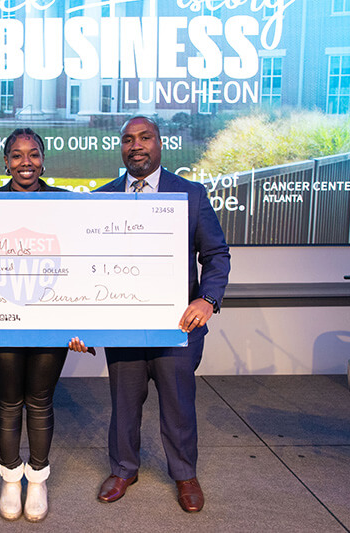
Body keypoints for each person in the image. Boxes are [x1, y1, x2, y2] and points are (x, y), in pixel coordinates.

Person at [87, 115, 230, 512]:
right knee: (124, 403)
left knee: (179, 404)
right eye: (129, 140)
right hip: (124, 326)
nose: (136, 146)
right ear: (121, 147)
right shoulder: (103, 198)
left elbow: (216, 254)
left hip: (177, 325)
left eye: (145, 138)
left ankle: (185, 475)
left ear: (160, 144)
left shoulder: (191, 194)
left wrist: (208, 299)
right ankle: (123, 468)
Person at [0, 128, 92, 522]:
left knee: (39, 400)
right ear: (5, 161)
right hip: (0, 321)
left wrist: (86, 325)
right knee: (8, 400)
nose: (25, 162)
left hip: (51, 323)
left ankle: (36, 479)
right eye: (17, 155)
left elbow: (84, 265)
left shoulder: (69, 205)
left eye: (33, 154)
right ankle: (9, 477)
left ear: (43, 160)